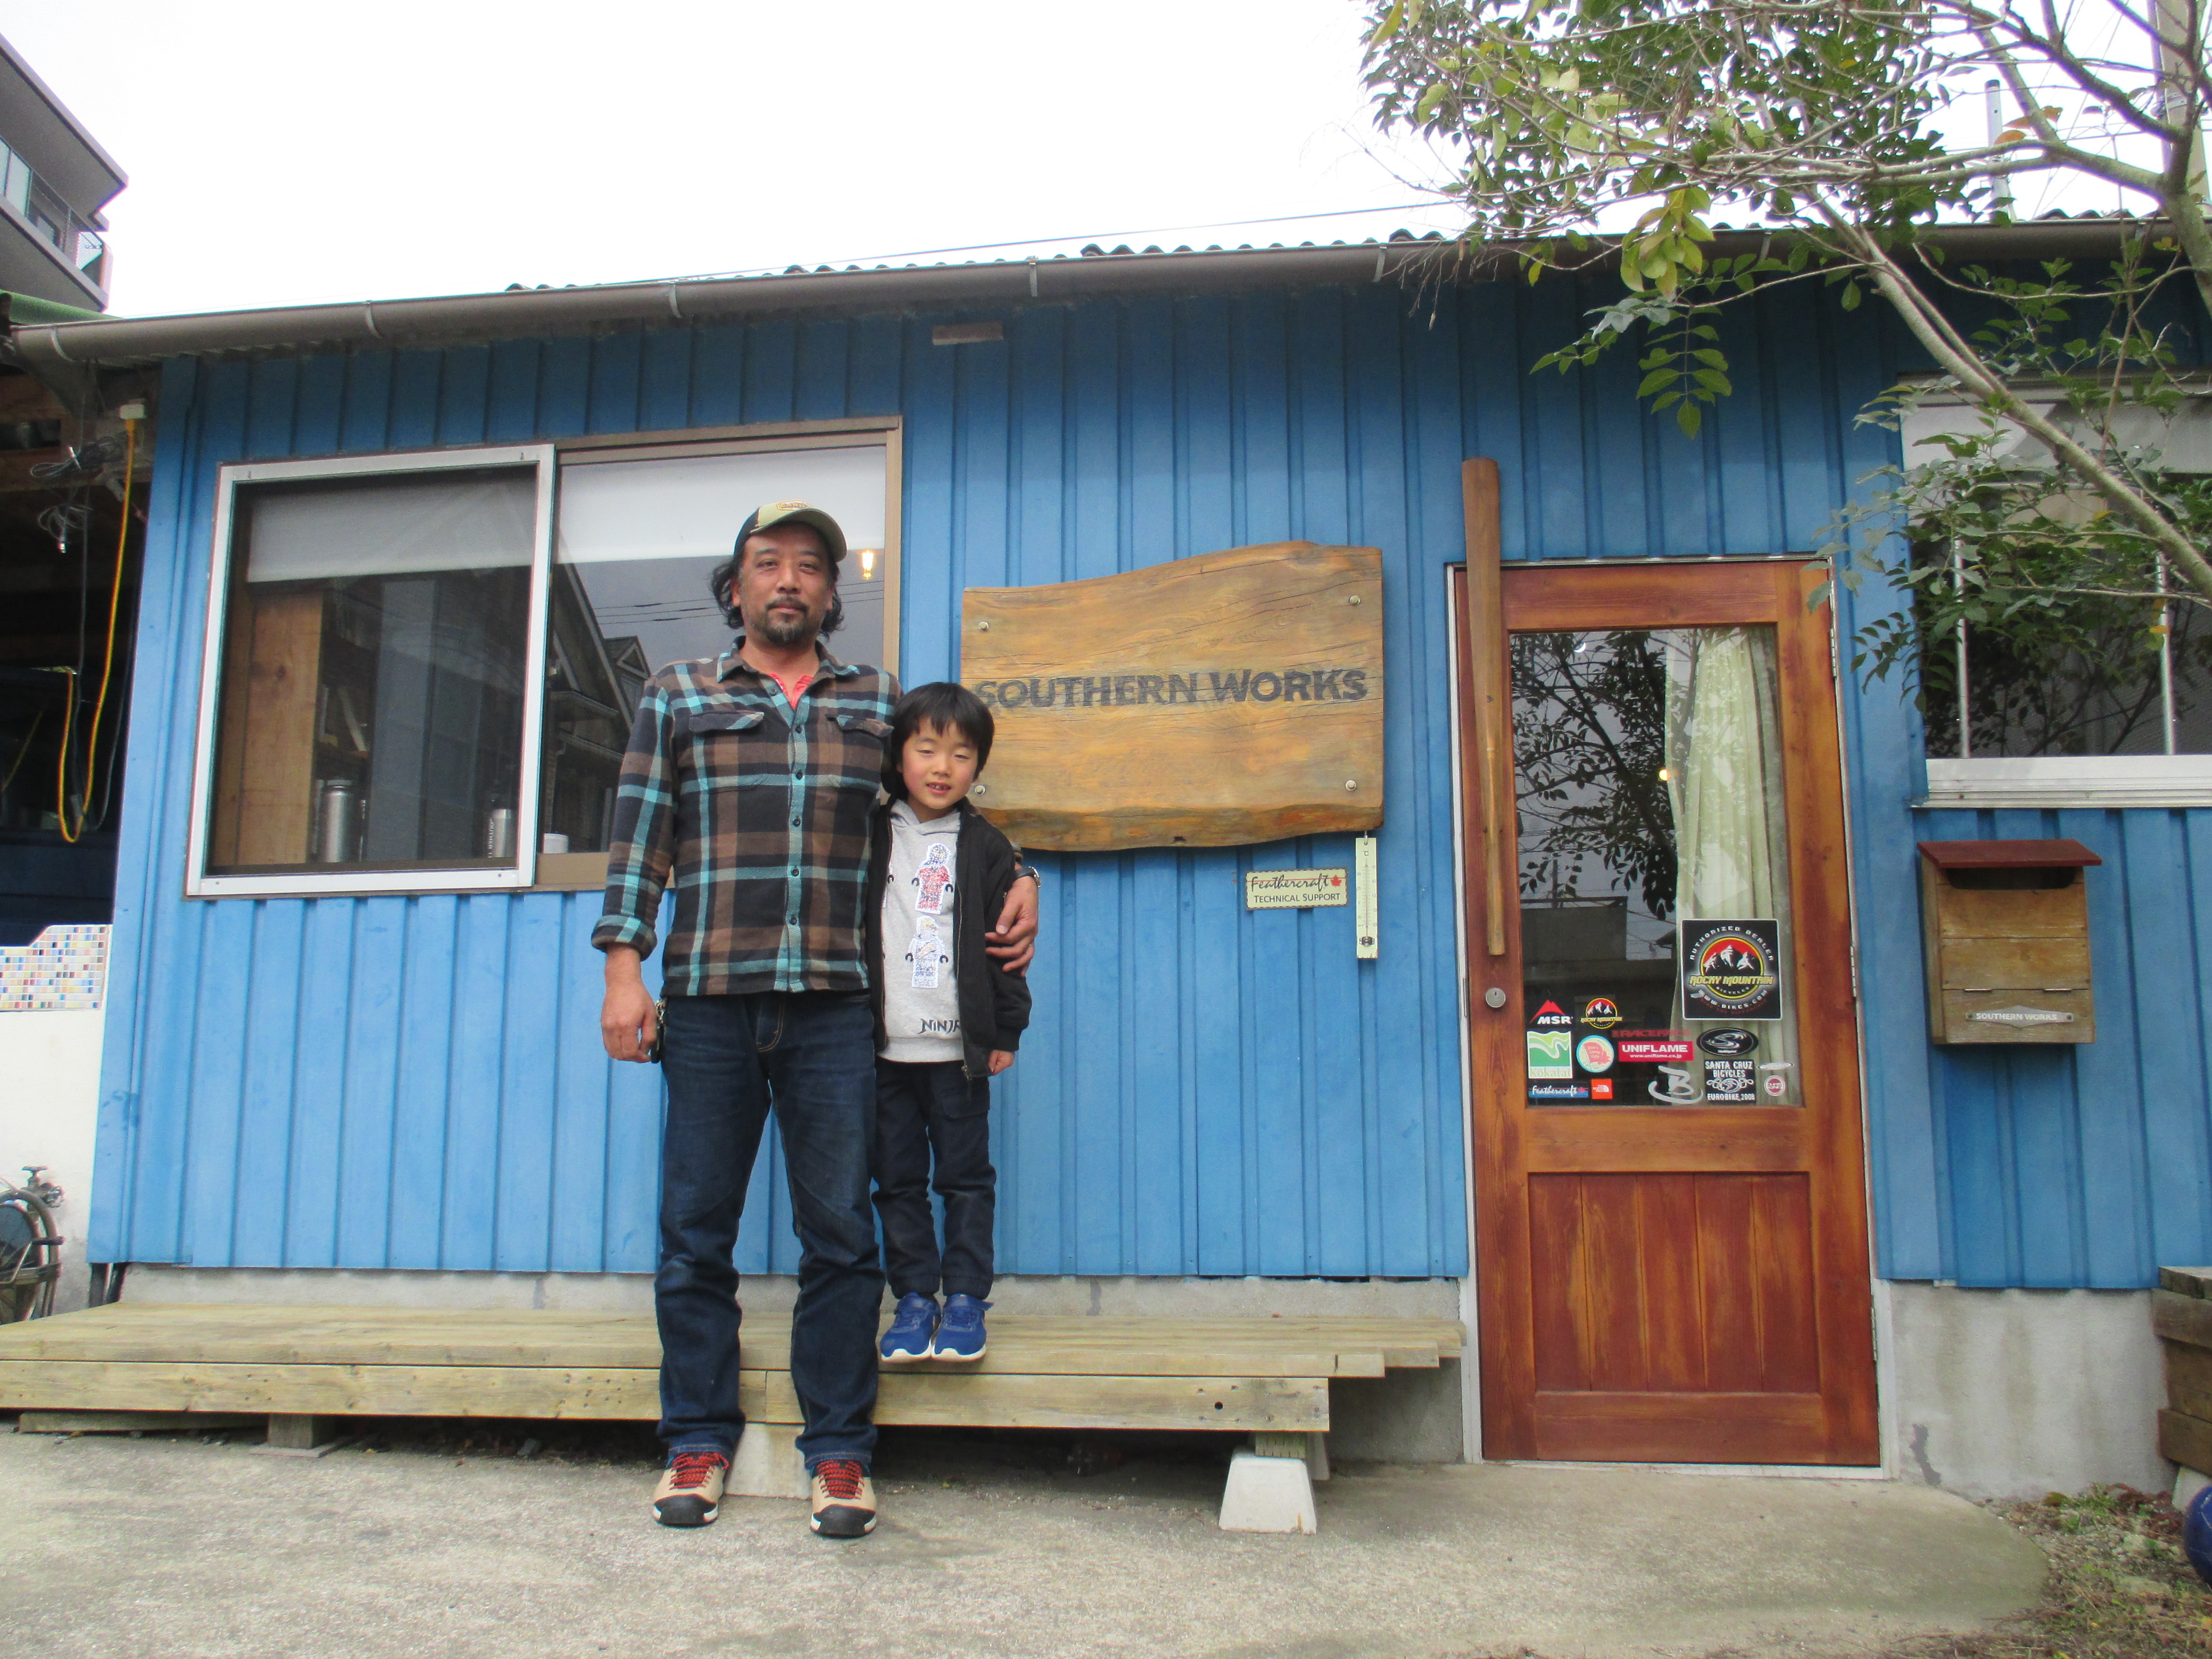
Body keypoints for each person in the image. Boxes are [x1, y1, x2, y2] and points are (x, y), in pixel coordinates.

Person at [593, 500, 1039, 1540]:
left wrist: (1019, 873)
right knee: (694, 1234)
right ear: (736, 586)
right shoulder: (679, 697)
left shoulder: (876, 704)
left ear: (835, 595)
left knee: (841, 1237)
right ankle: (696, 1442)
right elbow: (638, 843)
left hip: (842, 1010)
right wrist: (625, 972)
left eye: (810, 567)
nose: (789, 580)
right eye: (768, 564)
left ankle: (837, 1456)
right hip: (707, 1003)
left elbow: (942, 804)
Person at [865, 683, 1031, 1366]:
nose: (942, 767)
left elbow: (1006, 947)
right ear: (898, 756)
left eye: (961, 755)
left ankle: (965, 1298)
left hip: (958, 1051)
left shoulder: (987, 846)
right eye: (926, 748)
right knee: (896, 1180)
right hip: (880, 1052)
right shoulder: (870, 835)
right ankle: (912, 1298)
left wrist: (1006, 1032)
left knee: (966, 1178)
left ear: (978, 767)